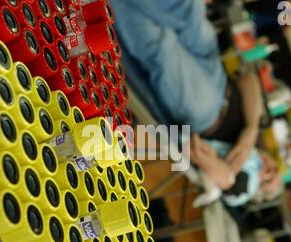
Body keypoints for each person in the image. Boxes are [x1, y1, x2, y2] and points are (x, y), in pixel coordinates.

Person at [111, 0, 281, 206]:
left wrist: (221, 171)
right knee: (189, 9)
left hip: (206, 113)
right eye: (275, 170)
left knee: (162, 44)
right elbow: (249, 79)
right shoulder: (256, 131)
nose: (269, 171)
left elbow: (229, 188)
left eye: (267, 180)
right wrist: (251, 130)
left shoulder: (237, 179)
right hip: (217, 71)